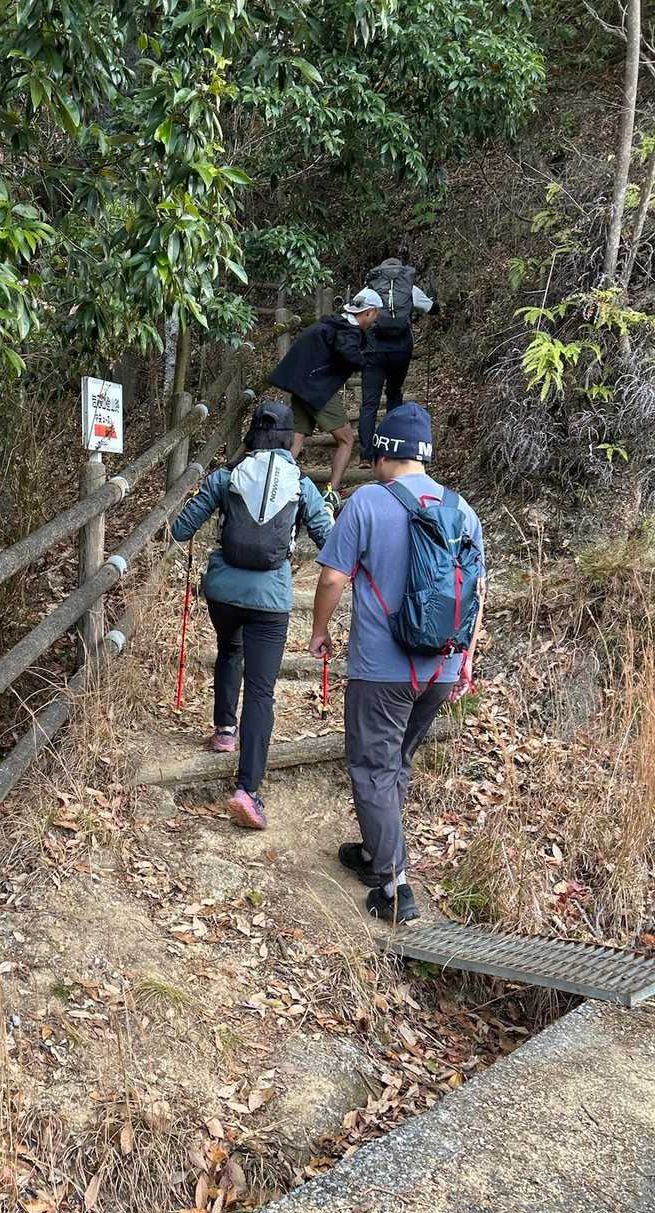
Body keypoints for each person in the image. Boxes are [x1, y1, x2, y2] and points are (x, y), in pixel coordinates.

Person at [309, 402, 485, 923]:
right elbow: (476, 593)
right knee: (396, 762)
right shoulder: (463, 509)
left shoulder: (367, 502)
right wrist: (466, 659)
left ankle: (393, 887)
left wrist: (319, 630)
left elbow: (332, 577)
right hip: (441, 666)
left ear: (384, 453)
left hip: (382, 670)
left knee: (372, 767)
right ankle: (373, 852)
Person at [172, 399, 334, 831]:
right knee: (261, 692)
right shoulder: (301, 484)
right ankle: (247, 790)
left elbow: (181, 528)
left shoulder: (226, 476)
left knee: (229, 649)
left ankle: (225, 732)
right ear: (290, 439)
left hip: (223, 592)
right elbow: (330, 540)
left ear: (253, 435)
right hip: (271, 599)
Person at [269, 290, 382, 492]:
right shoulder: (347, 330)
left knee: (297, 436)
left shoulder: (332, 323)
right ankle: (332, 491)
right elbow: (347, 350)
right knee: (346, 440)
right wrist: (367, 363)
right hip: (316, 390)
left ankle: (272, 487)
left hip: (301, 386)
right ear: (369, 312)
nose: (376, 319)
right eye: (376, 314)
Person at [358, 257, 438, 466]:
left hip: (373, 350)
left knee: (369, 403)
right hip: (401, 350)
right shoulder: (409, 286)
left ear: (380, 270)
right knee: (394, 395)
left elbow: (352, 313)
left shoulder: (371, 288)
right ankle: (391, 450)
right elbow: (432, 308)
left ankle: (365, 455)